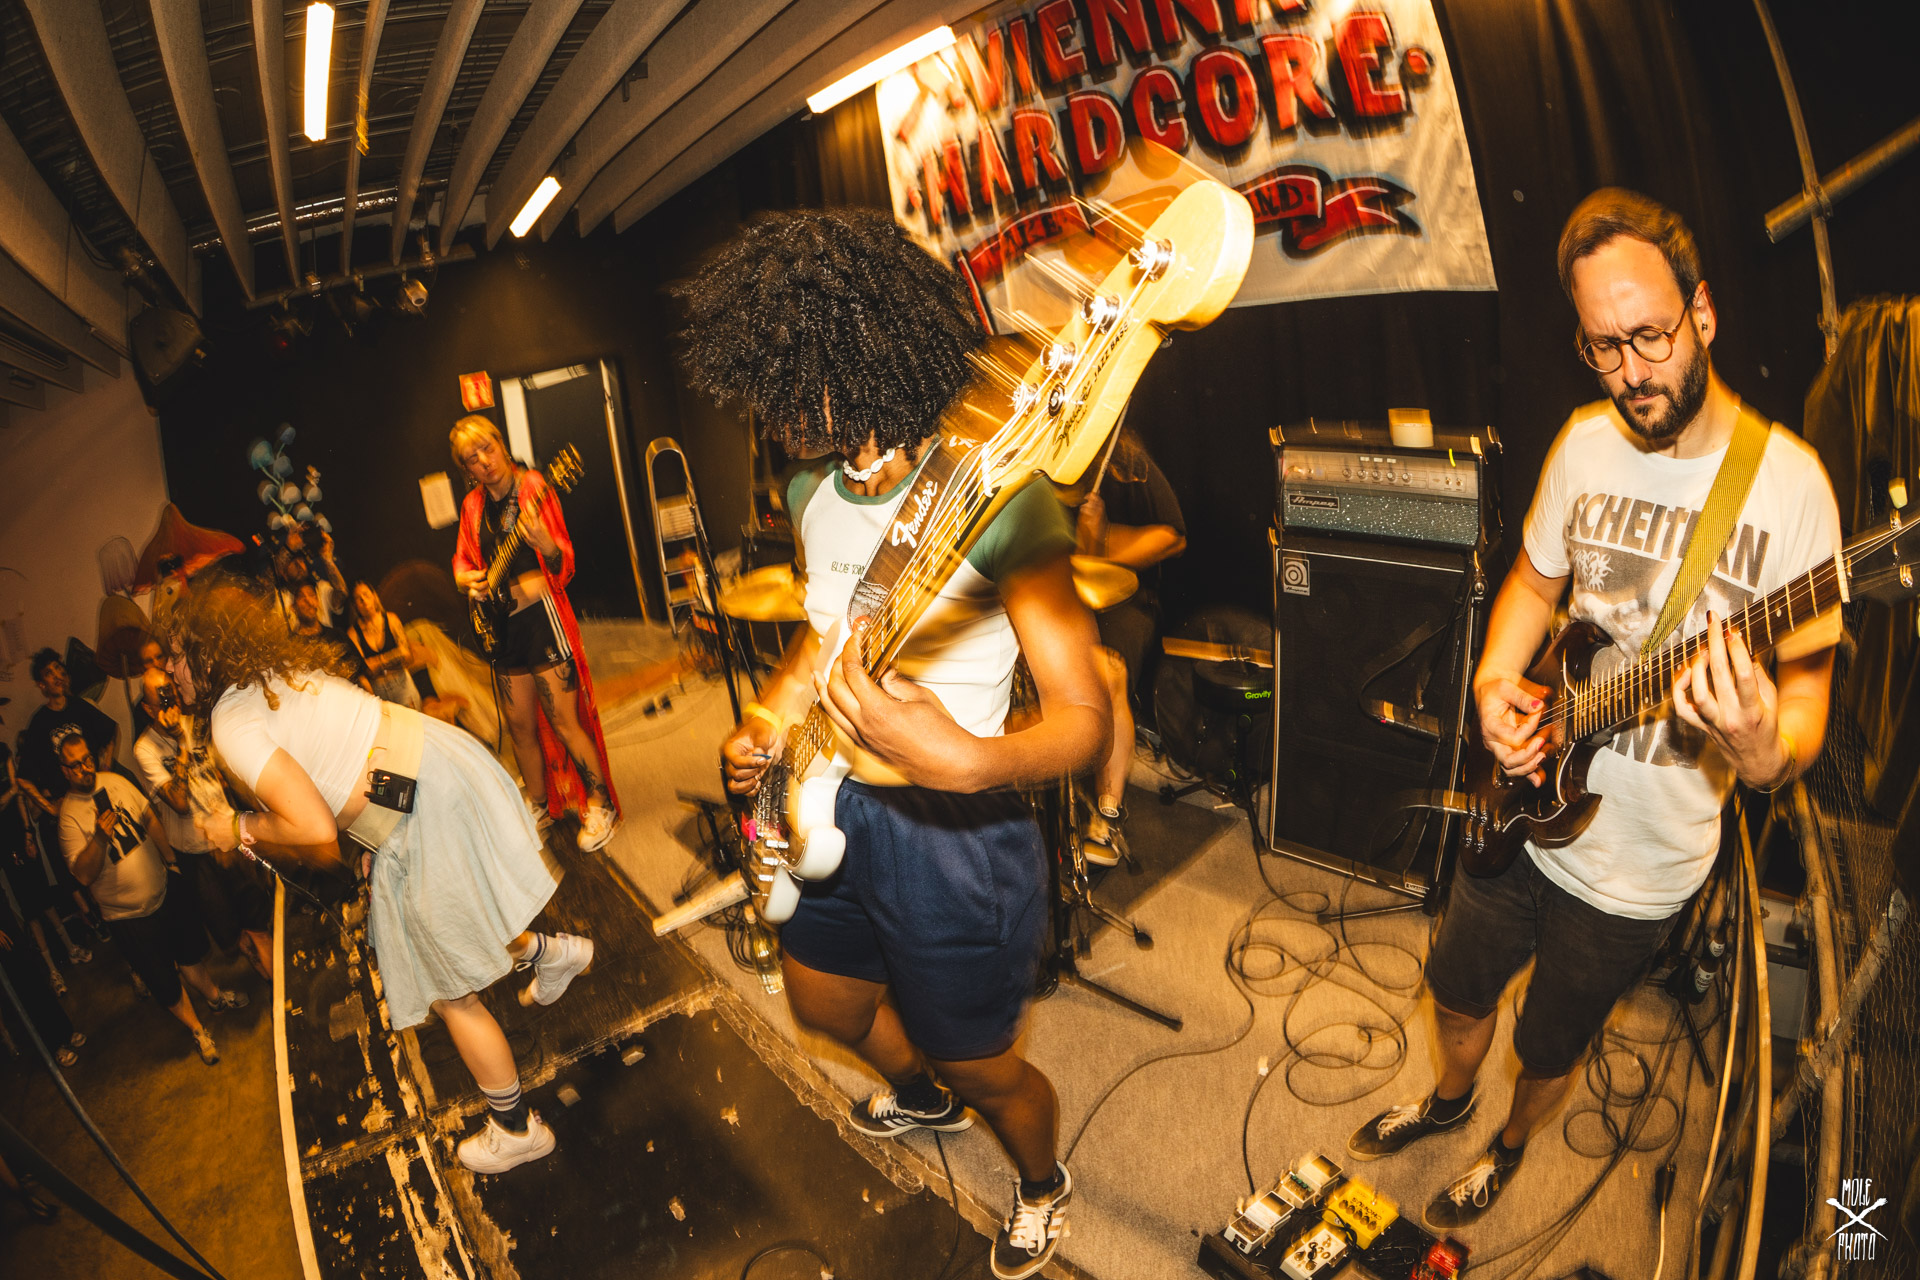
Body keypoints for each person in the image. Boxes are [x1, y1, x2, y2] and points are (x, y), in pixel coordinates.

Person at [1347, 190, 1842, 1229]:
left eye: (1651, 336)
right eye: (1603, 346)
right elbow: (1534, 585)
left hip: (1639, 872)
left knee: (1550, 1044)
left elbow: (1806, 691)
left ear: (1704, 312)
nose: (1631, 372)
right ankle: (1447, 1099)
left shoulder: (1793, 488)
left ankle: (1508, 1147)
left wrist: (1765, 752)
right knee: (1457, 989)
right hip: (1524, 793)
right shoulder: (1582, 442)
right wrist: (1494, 684)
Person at [684, 208, 1110, 1280]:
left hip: (955, 832)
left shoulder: (997, 504)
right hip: (834, 802)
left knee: (983, 1062)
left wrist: (971, 760)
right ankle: (919, 1093)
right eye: (774, 384)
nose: (784, 412)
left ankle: (1042, 1181)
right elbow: (822, 636)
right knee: (824, 1001)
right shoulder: (807, 493)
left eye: (804, 381)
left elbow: (1087, 715)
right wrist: (767, 719)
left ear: (874, 357)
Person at [179, 581, 593, 1174]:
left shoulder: (229, 718)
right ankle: (555, 955)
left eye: (175, 655)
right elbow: (345, 757)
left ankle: (517, 1129)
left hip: (418, 802)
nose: (167, 672)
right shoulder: (269, 676)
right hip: (426, 774)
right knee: (454, 926)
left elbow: (313, 825)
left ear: (203, 653)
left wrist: (236, 826)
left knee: (450, 991)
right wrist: (375, 836)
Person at [450, 416, 620, 852]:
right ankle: (540, 805)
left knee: (564, 720)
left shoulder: (533, 488)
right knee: (520, 726)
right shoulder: (472, 507)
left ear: (501, 444)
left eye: (487, 448)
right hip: (503, 629)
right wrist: (466, 580)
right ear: (465, 469)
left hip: (542, 622)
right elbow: (462, 561)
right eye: (472, 458)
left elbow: (564, 561)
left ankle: (600, 805)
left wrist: (545, 545)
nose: (484, 461)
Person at [56, 733, 245, 1065]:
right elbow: (83, 875)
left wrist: (171, 862)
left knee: (189, 954)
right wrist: (99, 837)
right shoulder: (68, 818)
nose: (85, 768)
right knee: (163, 979)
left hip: (164, 890)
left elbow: (148, 817)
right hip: (128, 918)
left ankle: (215, 997)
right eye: (76, 765)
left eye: (87, 759)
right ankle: (198, 1029)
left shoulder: (114, 781)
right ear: (64, 770)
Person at [1069, 427, 1186, 865]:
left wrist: (1102, 542)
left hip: (1125, 598)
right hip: (1059, 594)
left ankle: (1106, 814)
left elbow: (1173, 537)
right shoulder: (1045, 464)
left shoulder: (1128, 460)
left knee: (1107, 672)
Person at [133, 667, 274, 980]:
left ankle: (277, 985)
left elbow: (226, 774)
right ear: (148, 708)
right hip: (196, 856)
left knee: (258, 923)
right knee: (233, 934)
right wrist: (181, 745)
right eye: (161, 702)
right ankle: (264, 972)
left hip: (229, 838)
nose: (171, 706)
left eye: (171, 695)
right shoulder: (144, 749)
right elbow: (179, 803)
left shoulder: (197, 723)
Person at [14, 650, 113, 942]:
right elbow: (23, 779)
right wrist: (50, 808)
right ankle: (101, 920)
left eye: (59, 669)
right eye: (49, 673)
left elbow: (111, 731)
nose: (57, 675)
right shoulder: (39, 723)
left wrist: (105, 770)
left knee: (113, 859)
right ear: (41, 685)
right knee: (89, 869)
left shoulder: (80, 707)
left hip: (97, 797)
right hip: (71, 808)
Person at [344, 582, 423, 710]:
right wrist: (394, 655)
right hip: (378, 690)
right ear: (355, 605)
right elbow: (364, 670)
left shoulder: (391, 619)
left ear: (374, 596)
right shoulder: (353, 633)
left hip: (401, 684)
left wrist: (376, 662)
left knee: (415, 720)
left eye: (366, 595)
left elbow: (406, 654)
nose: (364, 601)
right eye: (359, 598)